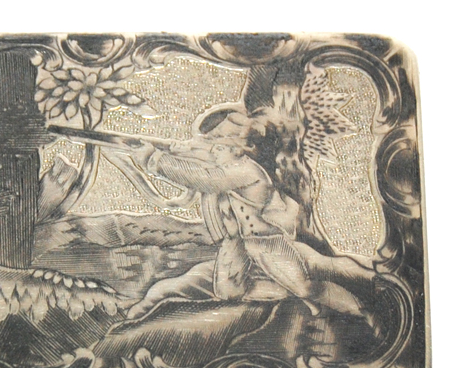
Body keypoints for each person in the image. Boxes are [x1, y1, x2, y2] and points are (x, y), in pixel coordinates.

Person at [104, 105, 374, 322]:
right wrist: (171, 149)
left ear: (237, 148)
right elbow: (195, 154)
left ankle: (360, 311)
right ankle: (290, 295)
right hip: (238, 242)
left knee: (306, 287)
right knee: (228, 291)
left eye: (218, 146)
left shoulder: (246, 170)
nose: (212, 150)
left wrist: (155, 160)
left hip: (266, 242)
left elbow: (207, 178)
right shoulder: (228, 162)